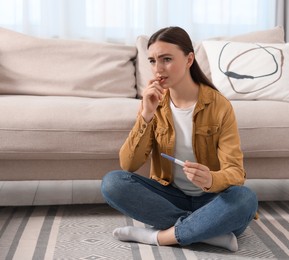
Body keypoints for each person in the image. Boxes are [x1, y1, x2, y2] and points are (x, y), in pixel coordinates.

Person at [100, 26, 258, 252]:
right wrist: (146, 115)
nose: (158, 69)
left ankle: (159, 237)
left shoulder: (219, 106)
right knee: (112, 183)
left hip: (212, 200)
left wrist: (211, 179)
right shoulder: (154, 104)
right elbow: (129, 164)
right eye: (153, 61)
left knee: (245, 199)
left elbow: (235, 172)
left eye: (166, 59)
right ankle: (206, 231)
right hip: (170, 196)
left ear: (189, 59)